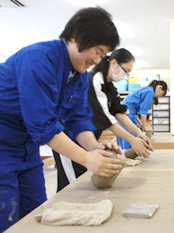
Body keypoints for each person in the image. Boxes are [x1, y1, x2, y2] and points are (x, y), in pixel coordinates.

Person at [0, 7, 122, 231]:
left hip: (26, 150)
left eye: (102, 56)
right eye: (96, 51)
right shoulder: (37, 59)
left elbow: (79, 119)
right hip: (2, 146)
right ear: (75, 37)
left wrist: (94, 146)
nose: (96, 60)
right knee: (5, 216)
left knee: (35, 214)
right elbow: (43, 127)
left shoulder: (79, 76)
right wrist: (87, 159)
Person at [53, 48, 153, 192]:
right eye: (125, 71)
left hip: (86, 139)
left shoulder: (110, 87)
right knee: (71, 186)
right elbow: (106, 119)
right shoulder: (93, 80)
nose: (125, 76)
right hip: (68, 138)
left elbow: (119, 113)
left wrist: (139, 134)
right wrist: (132, 140)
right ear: (113, 63)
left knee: (83, 177)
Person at [117, 80, 168, 149]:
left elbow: (135, 114)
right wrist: (145, 127)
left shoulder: (145, 89)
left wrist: (141, 124)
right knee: (130, 139)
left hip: (122, 114)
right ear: (159, 87)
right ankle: (127, 157)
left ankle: (124, 158)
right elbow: (143, 112)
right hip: (127, 114)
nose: (158, 96)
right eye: (161, 94)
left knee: (123, 137)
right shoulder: (150, 92)